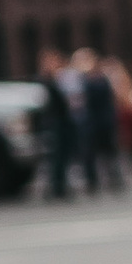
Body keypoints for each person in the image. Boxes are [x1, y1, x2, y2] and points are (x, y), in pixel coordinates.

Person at [75, 48, 123, 194]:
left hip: (103, 121)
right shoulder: (80, 80)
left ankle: (113, 177)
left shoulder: (102, 78)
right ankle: (92, 181)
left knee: (109, 151)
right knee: (90, 153)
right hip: (90, 122)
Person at [35, 47, 77, 201]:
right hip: (54, 123)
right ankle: (56, 187)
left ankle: (60, 185)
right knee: (56, 157)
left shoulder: (57, 78)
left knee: (63, 156)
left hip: (63, 122)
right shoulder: (44, 81)